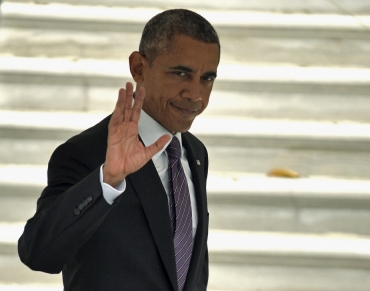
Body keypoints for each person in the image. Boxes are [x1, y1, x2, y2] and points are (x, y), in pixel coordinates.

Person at [18, 9, 220, 291]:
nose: (195, 95)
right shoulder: (85, 153)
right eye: (181, 73)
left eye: (207, 78)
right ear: (139, 68)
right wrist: (107, 180)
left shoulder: (196, 154)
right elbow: (37, 254)